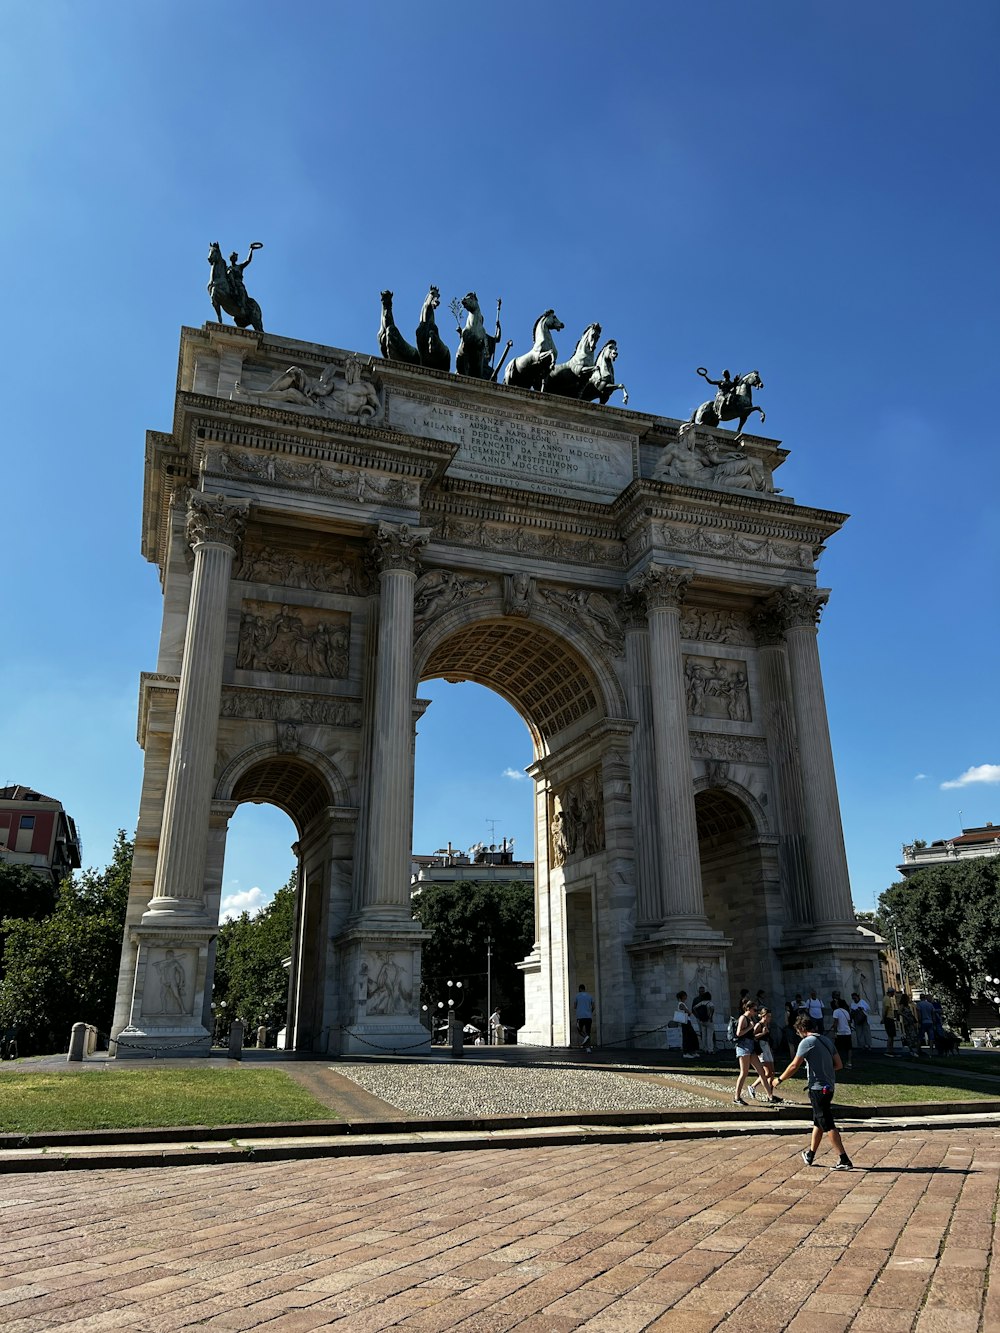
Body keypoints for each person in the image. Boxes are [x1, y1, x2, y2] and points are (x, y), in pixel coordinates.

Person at [774, 1014, 854, 1171]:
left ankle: (844, 1159)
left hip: (818, 1088)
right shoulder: (827, 1040)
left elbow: (793, 1066)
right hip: (829, 1087)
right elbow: (838, 1065)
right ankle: (810, 1154)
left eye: (798, 1032)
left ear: (801, 1029)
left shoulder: (806, 1042)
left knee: (827, 1123)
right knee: (819, 1121)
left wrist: (779, 1080)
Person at [733, 999, 775, 1104]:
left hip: (750, 1048)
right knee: (744, 1072)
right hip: (743, 1048)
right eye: (754, 1009)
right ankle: (737, 1097)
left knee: (761, 1071)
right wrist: (750, 1027)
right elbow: (738, 1033)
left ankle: (770, 1096)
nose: (756, 1012)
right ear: (748, 1009)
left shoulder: (750, 1018)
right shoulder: (743, 1018)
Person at [749, 1006, 781, 1102]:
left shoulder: (767, 1025)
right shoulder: (759, 1025)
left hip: (767, 1047)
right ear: (763, 1016)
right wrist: (762, 1033)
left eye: (770, 1016)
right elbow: (752, 1036)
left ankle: (770, 1095)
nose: (769, 1018)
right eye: (767, 1016)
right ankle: (753, 1086)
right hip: (761, 1048)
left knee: (772, 1072)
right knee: (767, 1072)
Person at [829, 996, 853, 1070]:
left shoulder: (836, 1011)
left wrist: (835, 1032)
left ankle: (837, 1062)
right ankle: (849, 1062)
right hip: (847, 1032)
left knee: (836, 1049)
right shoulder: (846, 1012)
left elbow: (836, 1022)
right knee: (849, 1048)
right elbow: (849, 1023)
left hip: (840, 1033)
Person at [675, 991, 700, 1059]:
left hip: (687, 1021)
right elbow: (688, 1012)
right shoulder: (681, 1004)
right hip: (685, 1022)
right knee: (688, 1037)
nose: (686, 997)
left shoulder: (682, 1004)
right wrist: (689, 1012)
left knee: (691, 1036)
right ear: (682, 996)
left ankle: (692, 1051)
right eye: (685, 995)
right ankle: (686, 1052)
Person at [693, 988, 715, 1053]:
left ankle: (704, 1048)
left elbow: (694, 1008)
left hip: (702, 1020)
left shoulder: (701, 1002)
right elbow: (712, 1010)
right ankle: (710, 1049)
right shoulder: (710, 1003)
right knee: (709, 1035)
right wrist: (710, 1017)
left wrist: (698, 1016)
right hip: (708, 1021)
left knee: (704, 1035)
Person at [574, 983, 595, 1052]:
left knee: (579, 1030)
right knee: (588, 1032)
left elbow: (575, 1006)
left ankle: (585, 1036)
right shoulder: (590, 996)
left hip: (580, 1016)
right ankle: (588, 1048)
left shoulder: (577, 996)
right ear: (584, 989)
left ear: (580, 989)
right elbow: (593, 1006)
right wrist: (590, 1012)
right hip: (588, 1016)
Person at [881, 988, 897, 1052]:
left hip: (888, 1018)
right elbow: (887, 1008)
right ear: (891, 992)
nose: (894, 994)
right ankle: (889, 1049)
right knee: (891, 1035)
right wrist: (884, 1018)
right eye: (893, 992)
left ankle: (890, 1049)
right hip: (889, 1018)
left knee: (891, 1035)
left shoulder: (885, 998)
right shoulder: (887, 998)